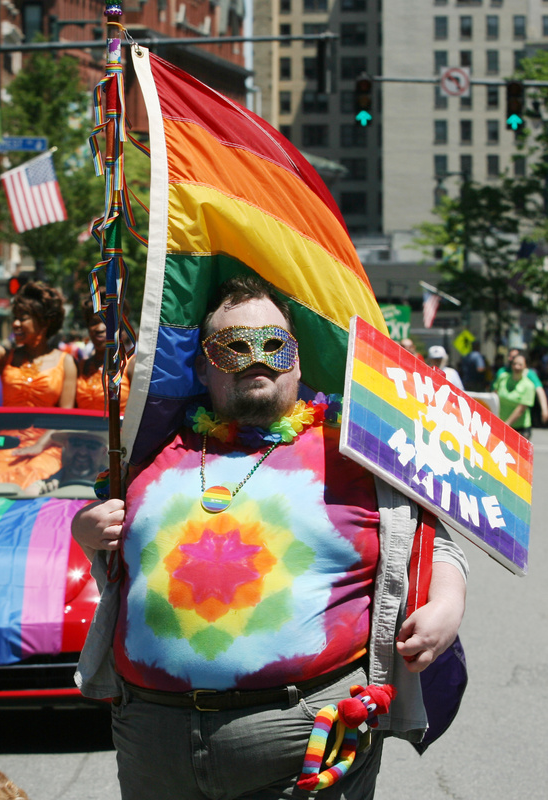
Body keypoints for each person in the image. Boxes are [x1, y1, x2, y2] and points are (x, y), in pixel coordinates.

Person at [72, 276, 468, 800]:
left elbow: (430, 540)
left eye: (273, 344)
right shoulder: (148, 451)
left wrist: (447, 603)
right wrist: (84, 527)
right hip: (153, 739)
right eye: (234, 346)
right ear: (200, 366)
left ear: (299, 362)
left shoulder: (355, 454)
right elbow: (106, 535)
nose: (255, 357)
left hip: (305, 736)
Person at [0, 280, 77, 487]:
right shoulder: (5, 356)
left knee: (35, 480)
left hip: (46, 447)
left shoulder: (66, 362)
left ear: (45, 322)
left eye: (22, 318)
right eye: (14, 318)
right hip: (5, 445)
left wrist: (39, 446)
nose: (15, 324)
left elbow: (65, 419)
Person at [76, 293, 135, 415]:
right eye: (93, 322)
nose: (99, 328)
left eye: (106, 320)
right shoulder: (80, 367)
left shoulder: (132, 365)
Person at [23, 430, 108, 496]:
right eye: (76, 443)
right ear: (65, 445)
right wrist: (45, 495)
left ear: (104, 452)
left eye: (92, 446)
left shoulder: (116, 489)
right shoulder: (41, 488)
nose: (82, 452)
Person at [494, 347, 548, 427]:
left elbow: (539, 390)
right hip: (500, 420)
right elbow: (494, 392)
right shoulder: (502, 372)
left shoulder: (528, 375)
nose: (512, 359)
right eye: (511, 357)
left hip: (519, 424)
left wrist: (544, 410)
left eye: (514, 356)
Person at [494, 353, 536, 439]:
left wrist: (507, 425)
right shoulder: (502, 378)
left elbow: (521, 409)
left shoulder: (528, 385)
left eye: (520, 364)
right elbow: (494, 396)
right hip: (501, 423)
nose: (517, 367)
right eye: (514, 364)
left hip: (520, 427)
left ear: (525, 366)